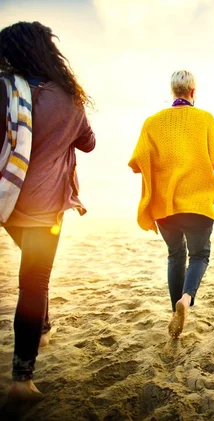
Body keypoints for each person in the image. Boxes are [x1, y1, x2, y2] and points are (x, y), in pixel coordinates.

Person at [0, 21, 96, 400]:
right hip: (45, 207)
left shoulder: (6, 91)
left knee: (34, 274)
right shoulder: (69, 97)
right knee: (35, 281)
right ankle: (22, 379)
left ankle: (42, 325)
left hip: (8, 202)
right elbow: (88, 143)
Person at [128, 70, 214, 339]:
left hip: (165, 205)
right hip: (197, 201)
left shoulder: (152, 122)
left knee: (175, 255)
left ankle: (174, 311)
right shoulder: (205, 118)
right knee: (199, 255)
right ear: (193, 92)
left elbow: (138, 165)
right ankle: (186, 300)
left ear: (173, 91)